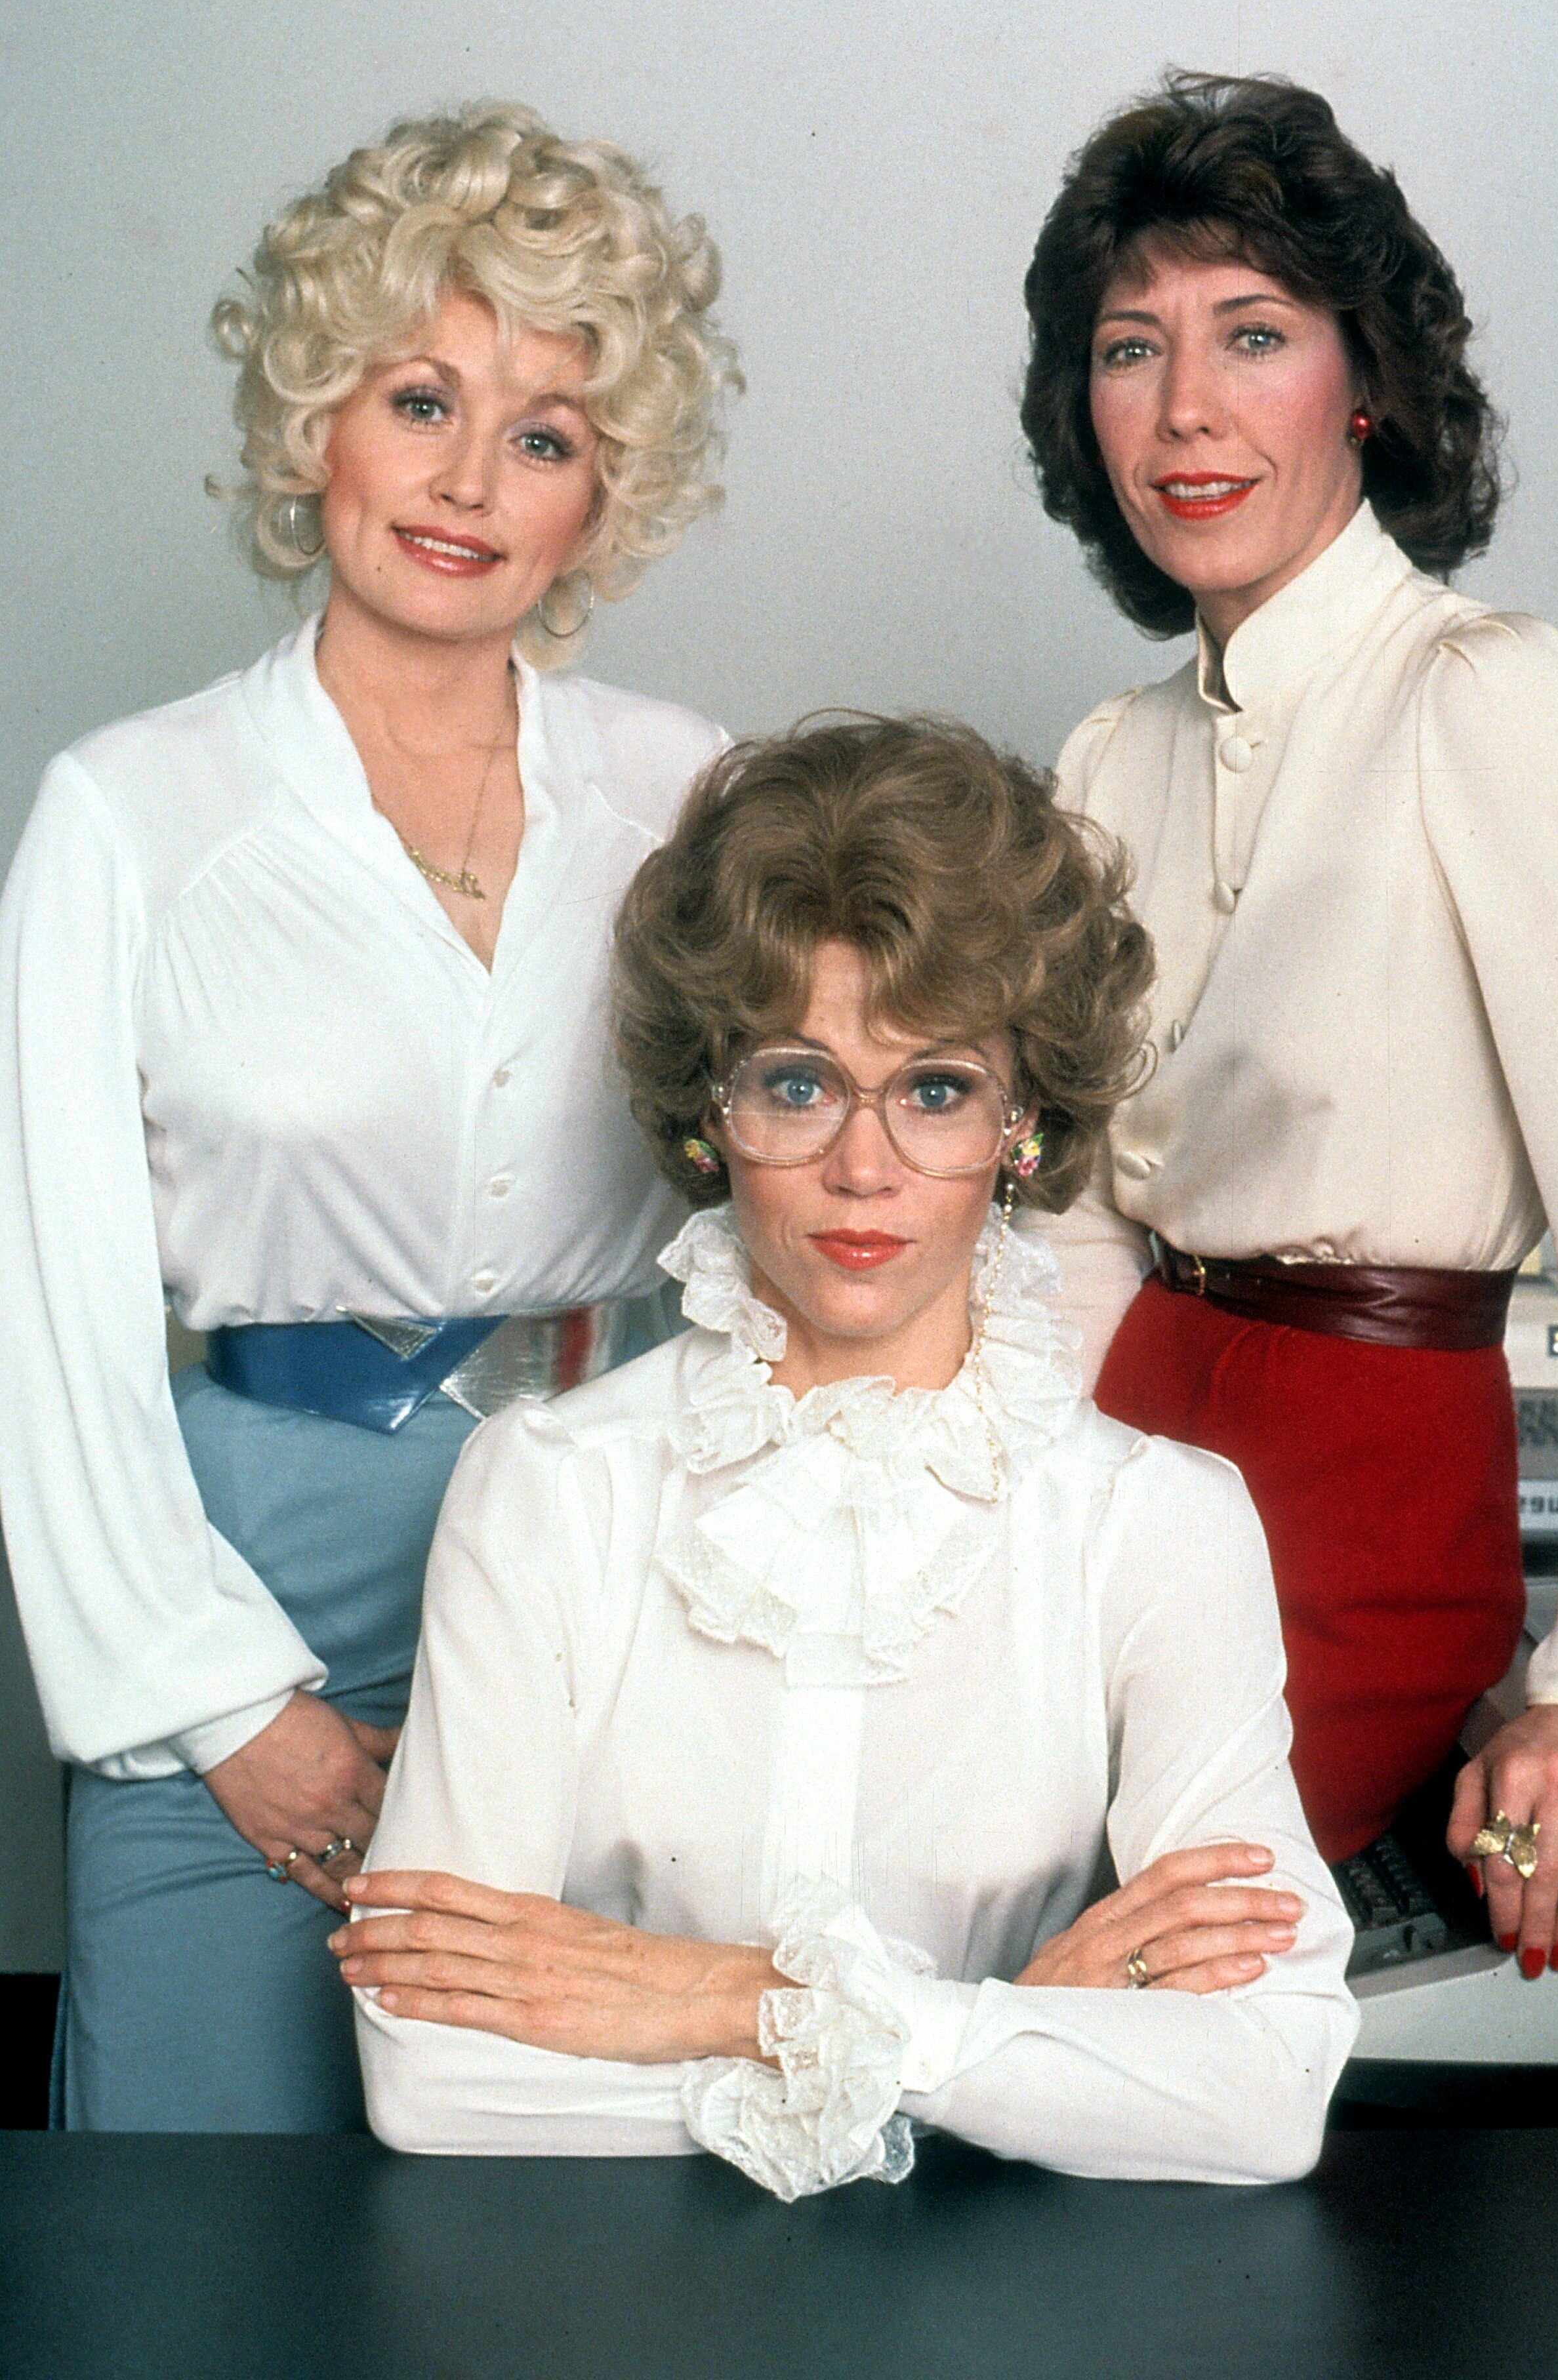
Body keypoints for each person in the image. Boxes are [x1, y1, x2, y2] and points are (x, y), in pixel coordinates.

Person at [334, 719, 1357, 2194]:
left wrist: (717, 2000)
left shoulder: (1159, 1525)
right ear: (713, 1112)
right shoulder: (549, 1488)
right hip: (608, 2276)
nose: (862, 1168)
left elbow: (1264, 2094)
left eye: (935, 1089)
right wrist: (1016, 2036)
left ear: (1022, 1124)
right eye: (798, 1084)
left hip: (999, 2289)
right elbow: (430, 2072)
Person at [0, 101, 737, 2129]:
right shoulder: (130, 814)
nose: (467, 482)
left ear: (605, 493)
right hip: (242, 1601)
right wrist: (227, 1707)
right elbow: (43, 1323)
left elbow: (792, 1212)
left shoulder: (687, 795)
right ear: (316, 415)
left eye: (543, 435)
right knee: (196, 2228)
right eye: (420, 401)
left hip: (621, 1584)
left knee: (562, 2239)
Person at [1020, 74, 1558, 1976]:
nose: (1185, 409)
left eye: (1253, 335)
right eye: (1131, 349)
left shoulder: (1492, 701)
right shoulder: (1106, 756)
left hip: (1368, 1492)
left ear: (1365, 383)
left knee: (1138, 1965)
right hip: (1118, 1459)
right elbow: (1072, 1225)